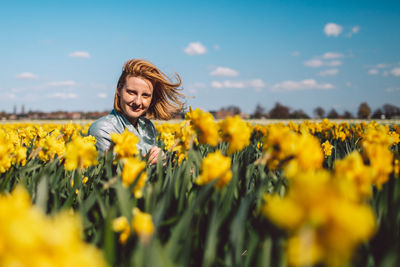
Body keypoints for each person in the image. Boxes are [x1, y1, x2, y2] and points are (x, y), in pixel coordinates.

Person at [88, 59, 184, 165]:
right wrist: (145, 163)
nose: (138, 102)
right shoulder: (102, 129)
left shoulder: (148, 127)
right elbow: (111, 175)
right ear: (119, 89)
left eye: (145, 95)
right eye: (131, 92)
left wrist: (163, 161)